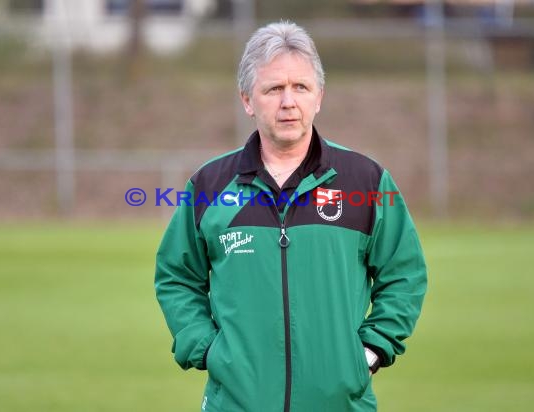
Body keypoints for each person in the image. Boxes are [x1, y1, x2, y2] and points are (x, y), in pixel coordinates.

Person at [155, 21, 427, 412]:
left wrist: (370, 351)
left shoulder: (365, 180)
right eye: (273, 89)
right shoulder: (210, 185)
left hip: (340, 403)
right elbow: (176, 276)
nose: (288, 101)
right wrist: (208, 349)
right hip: (236, 403)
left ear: (319, 97)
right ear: (248, 100)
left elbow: (405, 273)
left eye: (300, 87)